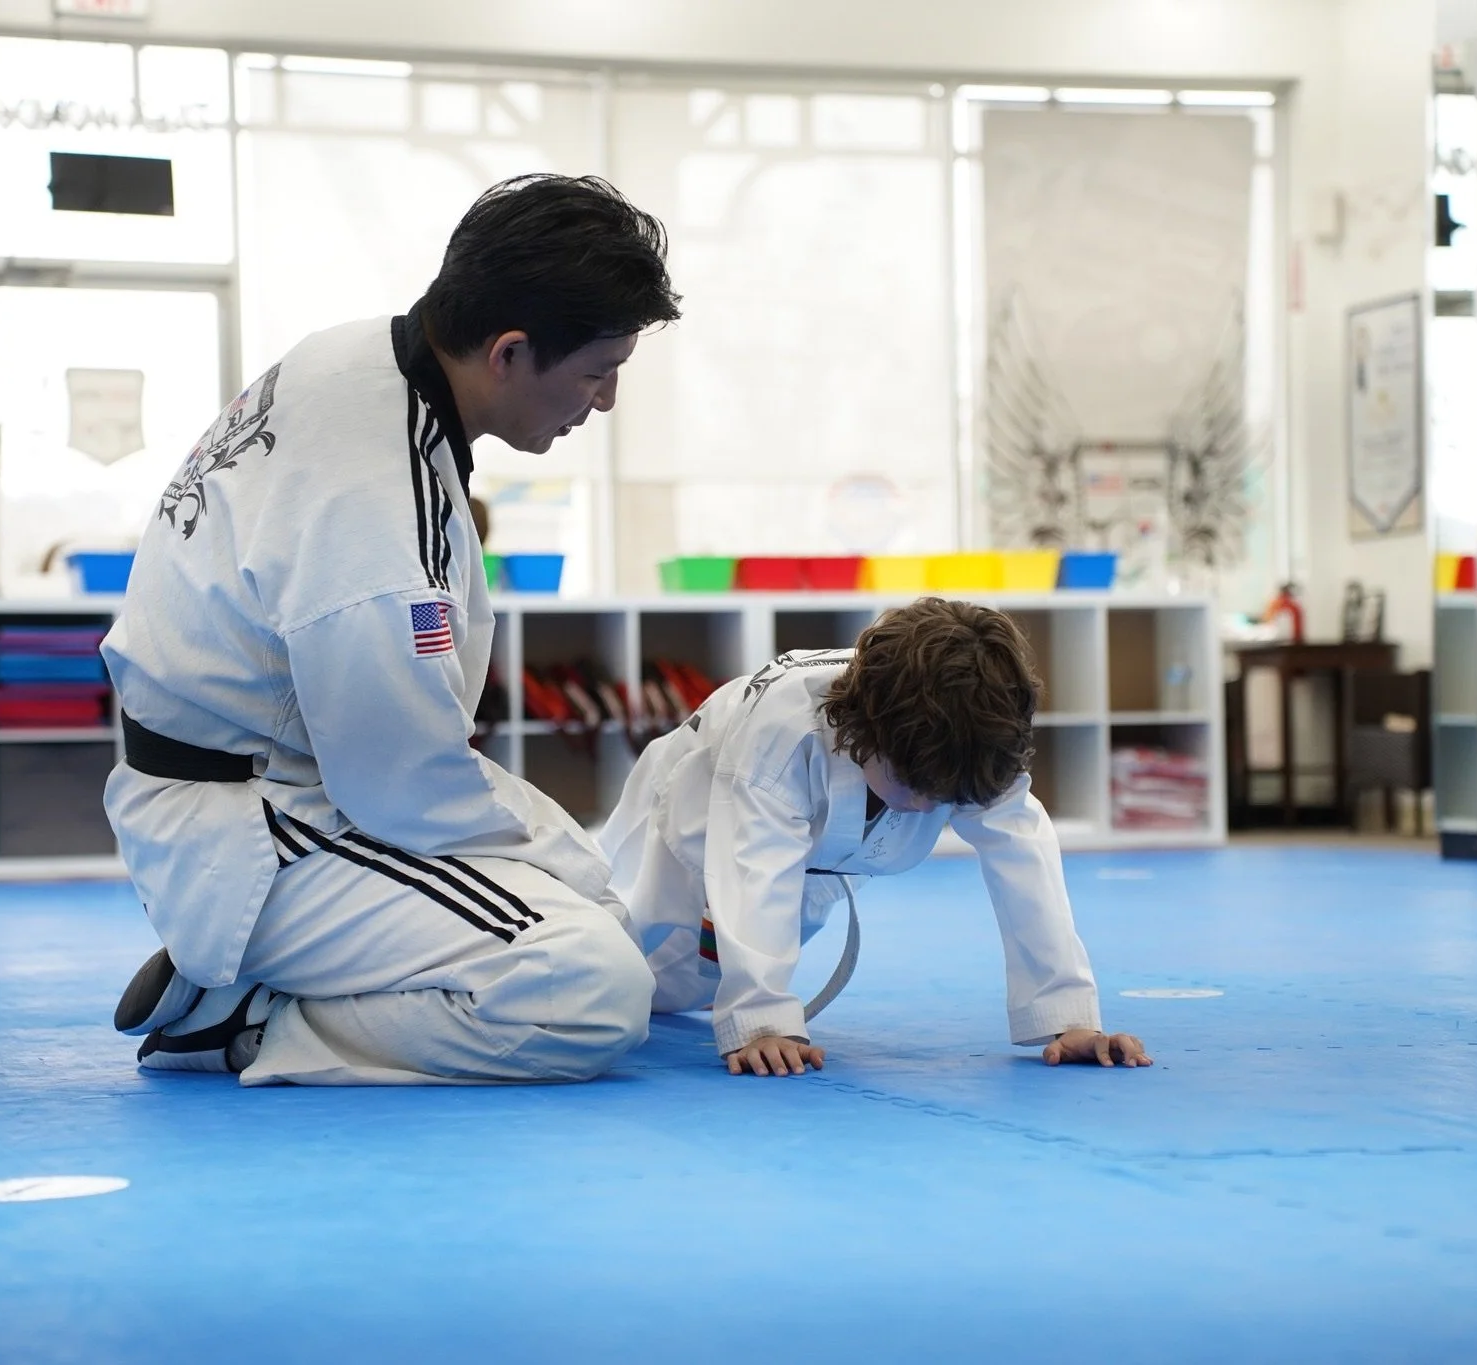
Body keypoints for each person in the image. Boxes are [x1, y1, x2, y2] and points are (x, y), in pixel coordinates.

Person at [104, 174, 681, 1085]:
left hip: (288, 777)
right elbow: (399, 785)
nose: (603, 402)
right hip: (263, 826)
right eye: (597, 372)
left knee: (595, 899)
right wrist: (562, 868)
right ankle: (253, 1019)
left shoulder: (361, 356)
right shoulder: (371, 498)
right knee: (595, 981)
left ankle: (254, 985)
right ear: (510, 352)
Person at [597, 597, 1152, 1077]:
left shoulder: (977, 736)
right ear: (863, 727)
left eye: (945, 795)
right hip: (678, 826)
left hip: (813, 859)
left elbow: (1024, 859)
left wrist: (1071, 1018)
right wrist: (762, 1021)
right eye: (913, 783)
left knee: (675, 996)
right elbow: (754, 866)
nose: (926, 806)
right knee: (607, 965)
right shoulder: (783, 735)